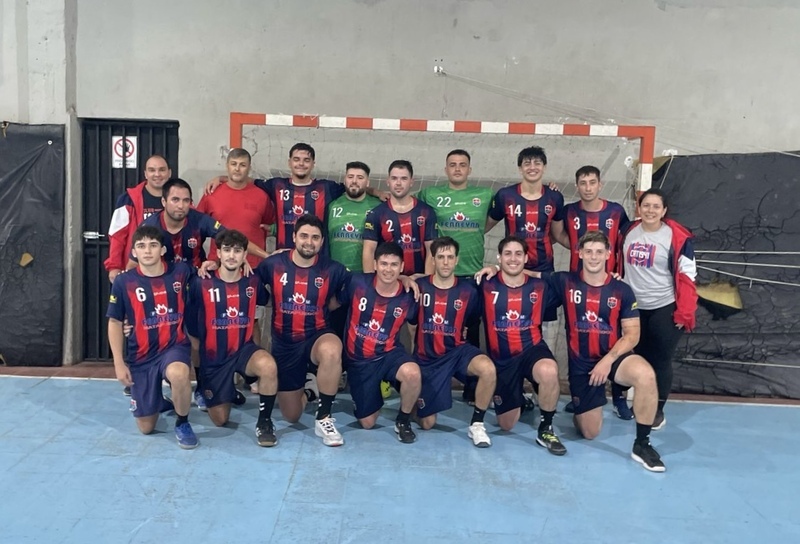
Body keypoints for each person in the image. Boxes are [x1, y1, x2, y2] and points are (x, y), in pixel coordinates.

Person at [547, 231, 665, 472]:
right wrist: (493, 270)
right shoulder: (565, 281)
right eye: (588, 251)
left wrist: (608, 360)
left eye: (599, 251)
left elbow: (632, 335)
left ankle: (642, 444)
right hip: (582, 364)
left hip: (613, 356)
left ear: (608, 254)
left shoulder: (622, 290)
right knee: (590, 432)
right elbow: (525, 275)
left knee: (646, 375)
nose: (593, 256)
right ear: (579, 253)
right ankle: (582, 409)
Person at [255, 214, 349, 446]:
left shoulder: (333, 269)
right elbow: (251, 285)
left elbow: (361, 286)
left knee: (332, 350)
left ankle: (324, 417)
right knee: (291, 415)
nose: (309, 242)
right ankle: (309, 389)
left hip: (316, 335)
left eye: (315, 237)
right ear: (294, 237)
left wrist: (406, 280)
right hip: (285, 343)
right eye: (304, 236)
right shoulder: (272, 265)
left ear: (322, 241)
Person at [186, 229, 280, 447]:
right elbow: (191, 325)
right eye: (226, 250)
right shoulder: (202, 283)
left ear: (245, 255)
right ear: (217, 253)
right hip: (215, 358)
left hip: (243, 351)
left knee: (268, 366)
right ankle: (226, 390)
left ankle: (264, 422)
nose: (231, 256)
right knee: (220, 420)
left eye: (237, 251)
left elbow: (265, 298)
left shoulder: (252, 281)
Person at [106, 225, 197, 449]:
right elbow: (115, 321)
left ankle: (182, 422)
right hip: (141, 355)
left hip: (173, 347)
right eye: (141, 246)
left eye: (153, 245)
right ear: (134, 252)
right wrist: (118, 363)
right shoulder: (123, 281)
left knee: (179, 374)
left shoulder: (180, 272)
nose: (147, 251)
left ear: (163, 250)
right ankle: (158, 400)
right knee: (146, 428)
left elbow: (211, 276)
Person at [552, 165, 632, 419]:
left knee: (615, 340)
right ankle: (581, 395)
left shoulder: (616, 211)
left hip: (608, 287)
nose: (587, 187)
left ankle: (618, 398)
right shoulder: (569, 211)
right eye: (583, 183)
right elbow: (558, 234)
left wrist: (618, 273)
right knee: (579, 340)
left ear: (600, 185)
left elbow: (624, 242)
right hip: (578, 287)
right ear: (577, 186)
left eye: (592, 182)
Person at [618, 188, 698, 430]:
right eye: (646, 205)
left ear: (664, 211)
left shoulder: (677, 238)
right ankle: (626, 403)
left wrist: (684, 312)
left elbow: (688, 276)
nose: (650, 210)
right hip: (633, 309)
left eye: (656, 206)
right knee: (633, 357)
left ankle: (657, 410)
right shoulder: (628, 231)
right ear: (638, 208)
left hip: (663, 308)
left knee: (660, 361)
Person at [480, 236, 566, 455]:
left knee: (548, 371)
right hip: (503, 360)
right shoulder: (485, 284)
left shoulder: (540, 286)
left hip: (532, 350)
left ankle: (546, 428)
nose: (513, 258)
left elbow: (574, 282)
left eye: (519, 254)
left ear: (526, 258)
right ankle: (522, 399)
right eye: (507, 253)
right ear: (499, 257)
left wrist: (610, 276)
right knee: (507, 425)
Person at [411, 237, 496, 447]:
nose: (446, 262)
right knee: (427, 423)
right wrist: (406, 279)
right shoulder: (419, 287)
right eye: (441, 257)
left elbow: (473, 318)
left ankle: (477, 424)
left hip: (457, 353)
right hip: (428, 359)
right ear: (433, 259)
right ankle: (413, 401)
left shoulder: (468, 291)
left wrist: (494, 267)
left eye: (450, 257)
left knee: (488, 369)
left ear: (457, 260)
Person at [334, 242, 422, 443]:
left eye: (393, 265)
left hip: (389, 354)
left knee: (413, 373)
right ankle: (375, 390)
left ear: (401, 267)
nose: (388, 269)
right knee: (368, 422)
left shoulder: (410, 295)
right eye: (383, 264)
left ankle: (403, 420)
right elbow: (333, 304)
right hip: (360, 361)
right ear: (375, 264)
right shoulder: (357, 282)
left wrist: (409, 278)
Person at [196, 148, 275, 351]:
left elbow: (268, 224)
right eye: (233, 164)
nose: (237, 169)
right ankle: (218, 372)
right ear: (227, 166)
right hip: (219, 269)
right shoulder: (211, 194)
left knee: (252, 321)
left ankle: (253, 376)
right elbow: (197, 228)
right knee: (218, 321)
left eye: (242, 164)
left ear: (249, 167)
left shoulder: (261, 196)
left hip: (253, 270)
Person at [486, 146, 566, 274]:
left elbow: (558, 234)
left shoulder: (554, 197)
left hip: (544, 270)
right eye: (527, 164)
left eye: (537, 163)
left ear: (544, 167)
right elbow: (486, 226)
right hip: (513, 268)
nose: (532, 167)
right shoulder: (505, 196)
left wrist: (582, 247)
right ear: (520, 169)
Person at [327, 161, 381, 338]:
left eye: (360, 177)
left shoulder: (378, 206)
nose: (354, 181)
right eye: (350, 177)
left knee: (361, 333)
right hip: (336, 279)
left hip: (364, 279)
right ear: (345, 179)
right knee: (335, 330)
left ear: (367, 182)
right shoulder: (332, 205)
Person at [362, 160, 437, 277]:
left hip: (418, 281)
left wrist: (426, 282)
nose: (398, 183)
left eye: (403, 179)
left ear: (412, 182)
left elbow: (431, 251)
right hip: (387, 281)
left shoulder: (426, 212)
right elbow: (369, 251)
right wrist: (370, 282)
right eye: (394, 178)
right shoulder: (376, 213)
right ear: (388, 181)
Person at [105, 155, 172, 284]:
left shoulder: (179, 198)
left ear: (169, 173)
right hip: (136, 270)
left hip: (170, 271)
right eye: (152, 170)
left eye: (162, 170)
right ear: (145, 174)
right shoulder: (127, 199)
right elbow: (117, 236)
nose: (157, 174)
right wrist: (114, 266)